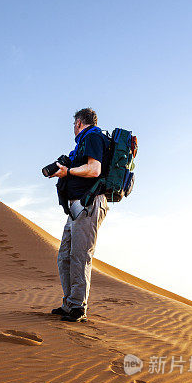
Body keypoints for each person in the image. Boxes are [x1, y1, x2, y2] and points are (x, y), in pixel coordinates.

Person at [48, 108, 108, 322]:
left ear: (79, 123)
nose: (73, 128)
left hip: (89, 204)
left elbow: (94, 170)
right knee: (65, 256)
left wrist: (69, 172)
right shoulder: (82, 143)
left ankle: (78, 307)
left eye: (74, 124)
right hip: (76, 208)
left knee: (80, 257)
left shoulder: (93, 136)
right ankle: (69, 303)